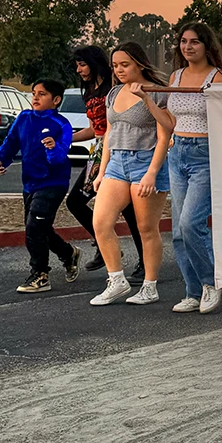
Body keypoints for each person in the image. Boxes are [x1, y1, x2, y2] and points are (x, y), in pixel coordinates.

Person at [89, 42, 176, 307]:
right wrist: (101, 171)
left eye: (125, 64)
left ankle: (150, 286)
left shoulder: (158, 92)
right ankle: (116, 280)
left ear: (140, 63)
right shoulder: (114, 93)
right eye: (115, 65)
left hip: (146, 162)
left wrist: (152, 173)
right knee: (100, 222)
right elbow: (109, 134)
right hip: (117, 162)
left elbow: (165, 135)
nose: (119, 70)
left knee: (146, 228)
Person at [166, 23, 222, 314]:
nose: (188, 47)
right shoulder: (176, 76)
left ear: (207, 46)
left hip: (205, 154)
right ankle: (192, 291)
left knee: (191, 224)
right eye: (183, 41)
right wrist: (146, 99)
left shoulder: (219, 79)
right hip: (176, 151)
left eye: (194, 42)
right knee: (178, 232)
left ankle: (210, 282)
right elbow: (170, 119)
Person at [0, 79, 80, 293]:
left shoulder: (61, 124)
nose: (35, 97)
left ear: (56, 100)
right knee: (39, 228)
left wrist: (52, 148)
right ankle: (68, 253)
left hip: (54, 182)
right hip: (30, 183)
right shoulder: (24, 118)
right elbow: (11, 141)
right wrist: (1, 160)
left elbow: (60, 157)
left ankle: (40, 274)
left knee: (34, 227)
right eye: (34, 93)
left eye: (42, 94)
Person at [67, 46, 146, 279]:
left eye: (82, 64)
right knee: (75, 201)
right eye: (77, 65)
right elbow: (95, 129)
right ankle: (104, 245)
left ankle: (144, 263)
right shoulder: (89, 89)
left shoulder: (113, 87)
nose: (79, 70)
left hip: (120, 148)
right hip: (99, 150)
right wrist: (67, 138)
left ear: (93, 62)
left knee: (131, 210)